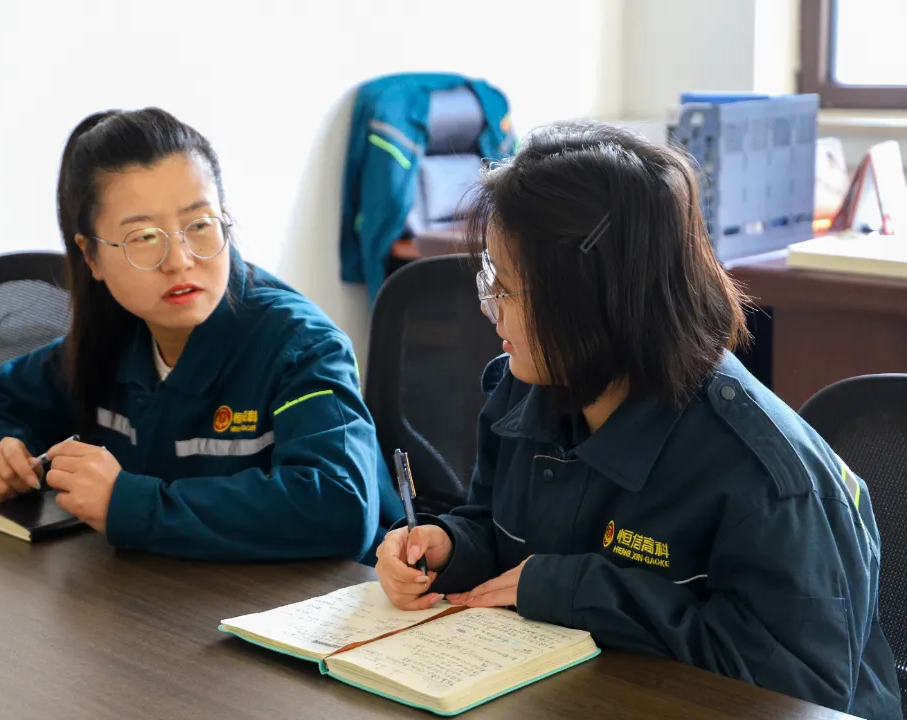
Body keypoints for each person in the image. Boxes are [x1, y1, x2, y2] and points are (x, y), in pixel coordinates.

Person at [375, 122, 901, 718]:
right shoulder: (523, 393)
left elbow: (800, 691)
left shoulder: (767, 476)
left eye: (507, 288)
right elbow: (500, 535)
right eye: (488, 278)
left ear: (590, 302)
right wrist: (449, 548)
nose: (487, 307)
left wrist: (580, 591)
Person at [0, 107, 402, 563]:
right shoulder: (117, 334)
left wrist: (131, 504)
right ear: (91, 256)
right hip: (167, 593)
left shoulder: (301, 345)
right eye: (143, 237)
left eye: (199, 225)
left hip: (326, 603)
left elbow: (340, 506)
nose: (179, 260)